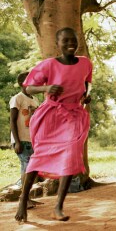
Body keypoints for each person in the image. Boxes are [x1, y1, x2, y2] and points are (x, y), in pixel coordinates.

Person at [15, 27, 92, 222]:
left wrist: (86, 95)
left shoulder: (85, 63)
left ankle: (58, 207)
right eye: (65, 41)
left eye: (73, 40)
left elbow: (86, 84)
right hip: (50, 115)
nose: (70, 44)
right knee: (38, 156)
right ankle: (23, 200)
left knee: (71, 152)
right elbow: (29, 87)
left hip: (73, 114)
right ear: (57, 45)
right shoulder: (48, 65)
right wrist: (46, 87)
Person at [9, 72, 42, 209]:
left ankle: (27, 197)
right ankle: (24, 199)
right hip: (21, 140)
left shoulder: (35, 100)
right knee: (27, 168)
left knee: (32, 169)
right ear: (24, 83)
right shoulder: (17, 98)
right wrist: (17, 141)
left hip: (33, 140)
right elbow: (12, 120)